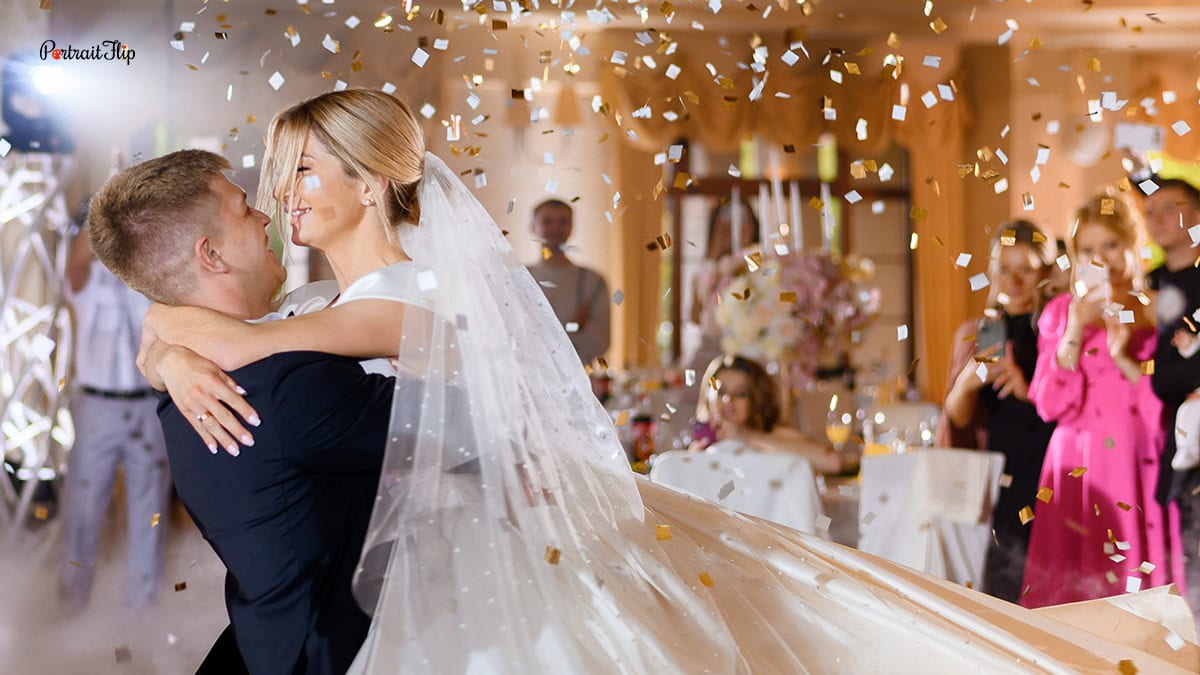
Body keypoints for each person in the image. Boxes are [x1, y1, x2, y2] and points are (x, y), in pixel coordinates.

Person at [137, 90, 1194, 672]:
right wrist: (169, 343)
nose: (283, 193)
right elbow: (273, 339)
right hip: (401, 576)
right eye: (278, 174)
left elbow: (350, 341)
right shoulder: (294, 316)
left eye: (303, 169)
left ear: (368, 181)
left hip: (493, 552)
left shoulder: (413, 292)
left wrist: (174, 335)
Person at [86, 148, 410, 675]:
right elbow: (470, 422)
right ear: (210, 255)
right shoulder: (287, 387)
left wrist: (165, 352)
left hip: (266, 643)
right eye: (242, 207)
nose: (266, 212)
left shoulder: (188, 378)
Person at [1021, 192, 1177, 608]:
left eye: (1110, 245)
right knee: (1074, 595)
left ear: (1132, 244)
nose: (1102, 259)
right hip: (1075, 466)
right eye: (1088, 250)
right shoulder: (1059, 312)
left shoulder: (1157, 311)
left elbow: (1164, 407)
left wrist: (1123, 353)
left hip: (1136, 459)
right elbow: (1049, 405)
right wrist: (1074, 328)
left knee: (1137, 595)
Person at [58, 197, 173, 616]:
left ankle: (142, 615)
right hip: (97, 408)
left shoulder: (148, 281)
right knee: (83, 511)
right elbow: (75, 265)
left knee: (150, 514)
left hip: (147, 406)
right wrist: (105, 210)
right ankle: (72, 606)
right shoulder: (88, 283)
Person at [936, 220, 1057, 603]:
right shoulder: (980, 331)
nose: (1014, 280)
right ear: (991, 270)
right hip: (1003, 477)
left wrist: (1028, 389)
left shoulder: (1058, 329)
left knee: (1053, 586)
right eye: (1005, 268)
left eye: (1026, 268)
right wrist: (969, 382)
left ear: (1045, 271)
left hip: (1053, 467)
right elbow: (957, 423)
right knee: (1004, 589)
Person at [1144, 176, 1200, 626]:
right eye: (1150, 211)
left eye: (1170, 208)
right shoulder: (1151, 284)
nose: (1157, 218)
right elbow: (1161, 382)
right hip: (1181, 446)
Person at [689, 354, 843, 474]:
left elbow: (832, 462)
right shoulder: (702, 444)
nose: (729, 399)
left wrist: (747, 436)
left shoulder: (773, 434)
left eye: (741, 393)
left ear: (756, 399)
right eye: (721, 392)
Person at [527, 199, 611, 365]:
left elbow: (601, 344)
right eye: (547, 221)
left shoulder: (593, 281)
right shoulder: (519, 278)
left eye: (563, 221)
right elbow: (515, 337)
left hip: (578, 381)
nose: (555, 228)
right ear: (533, 227)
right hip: (531, 381)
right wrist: (574, 326)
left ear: (571, 227)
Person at [686, 198, 758, 372]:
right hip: (711, 353)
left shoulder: (758, 264)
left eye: (742, 220)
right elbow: (695, 317)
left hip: (749, 351)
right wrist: (714, 256)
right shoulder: (706, 271)